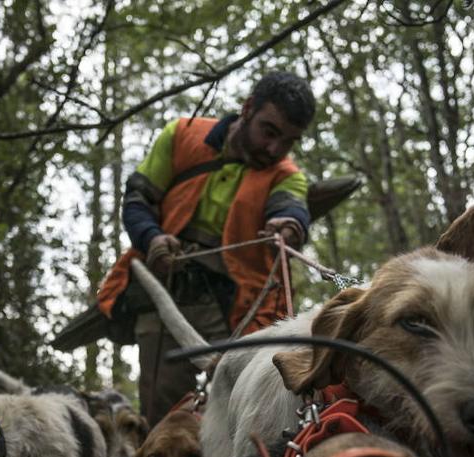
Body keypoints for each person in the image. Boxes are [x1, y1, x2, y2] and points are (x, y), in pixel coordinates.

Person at [96, 71, 315, 422]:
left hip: (236, 307)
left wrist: (289, 226)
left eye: (288, 141)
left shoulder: (287, 175)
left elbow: (291, 209)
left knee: (243, 402)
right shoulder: (183, 135)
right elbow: (138, 198)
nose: (275, 149)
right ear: (247, 109)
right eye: (269, 132)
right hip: (165, 293)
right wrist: (152, 238)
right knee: (162, 410)